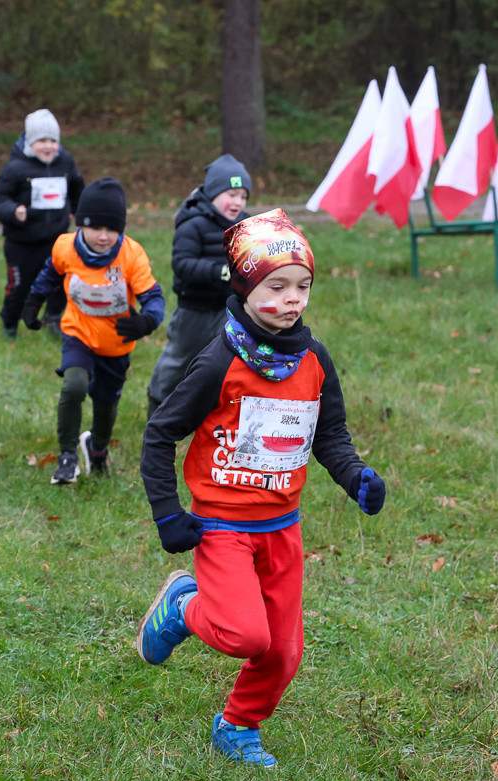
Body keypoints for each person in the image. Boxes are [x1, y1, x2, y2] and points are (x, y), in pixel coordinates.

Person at [135, 208, 387, 769]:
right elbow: (160, 435)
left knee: (284, 651)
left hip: (282, 528)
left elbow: (332, 433)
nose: (292, 298)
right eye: (277, 286)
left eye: (303, 286)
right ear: (246, 287)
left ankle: (237, 726)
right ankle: (182, 606)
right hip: (222, 525)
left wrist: (355, 477)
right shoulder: (219, 361)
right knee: (244, 634)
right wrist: (167, 513)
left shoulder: (314, 359)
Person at [22, 177, 165, 484]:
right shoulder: (65, 248)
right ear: (79, 224)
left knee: (106, 405)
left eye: (112, 229)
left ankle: (96, 448)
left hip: (116, 343)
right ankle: (67, 456)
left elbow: (153, 297)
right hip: (79, 333)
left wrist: (147, 321)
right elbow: (49, 274)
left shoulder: (131, 254)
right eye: (96, 227)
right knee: (74, 386)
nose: (104, 236)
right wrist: (33, 302)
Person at [146, 154, 251, 415]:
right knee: (180, 362)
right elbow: (182, 263)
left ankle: (219, 413)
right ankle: (158, 403)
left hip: (231, 309)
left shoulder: (247, 225)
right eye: (232, 194)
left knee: (230, 362)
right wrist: (220, 272)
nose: (238, 202)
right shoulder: (192, 224)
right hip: (195, 311)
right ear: (213, 193)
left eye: (243, 196)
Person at [0, 108, 85, 339]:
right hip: (22, 242)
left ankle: (54, 318)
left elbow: (77, 187)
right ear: (29, 141)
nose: (48, 146)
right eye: (41, 140)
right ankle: (10, 324)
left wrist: (78, 211)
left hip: (57, 238)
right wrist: (14, 211)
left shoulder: (65, 161)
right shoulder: (16, 168)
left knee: (62, 282)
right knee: (20, 287)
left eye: (53, 141)